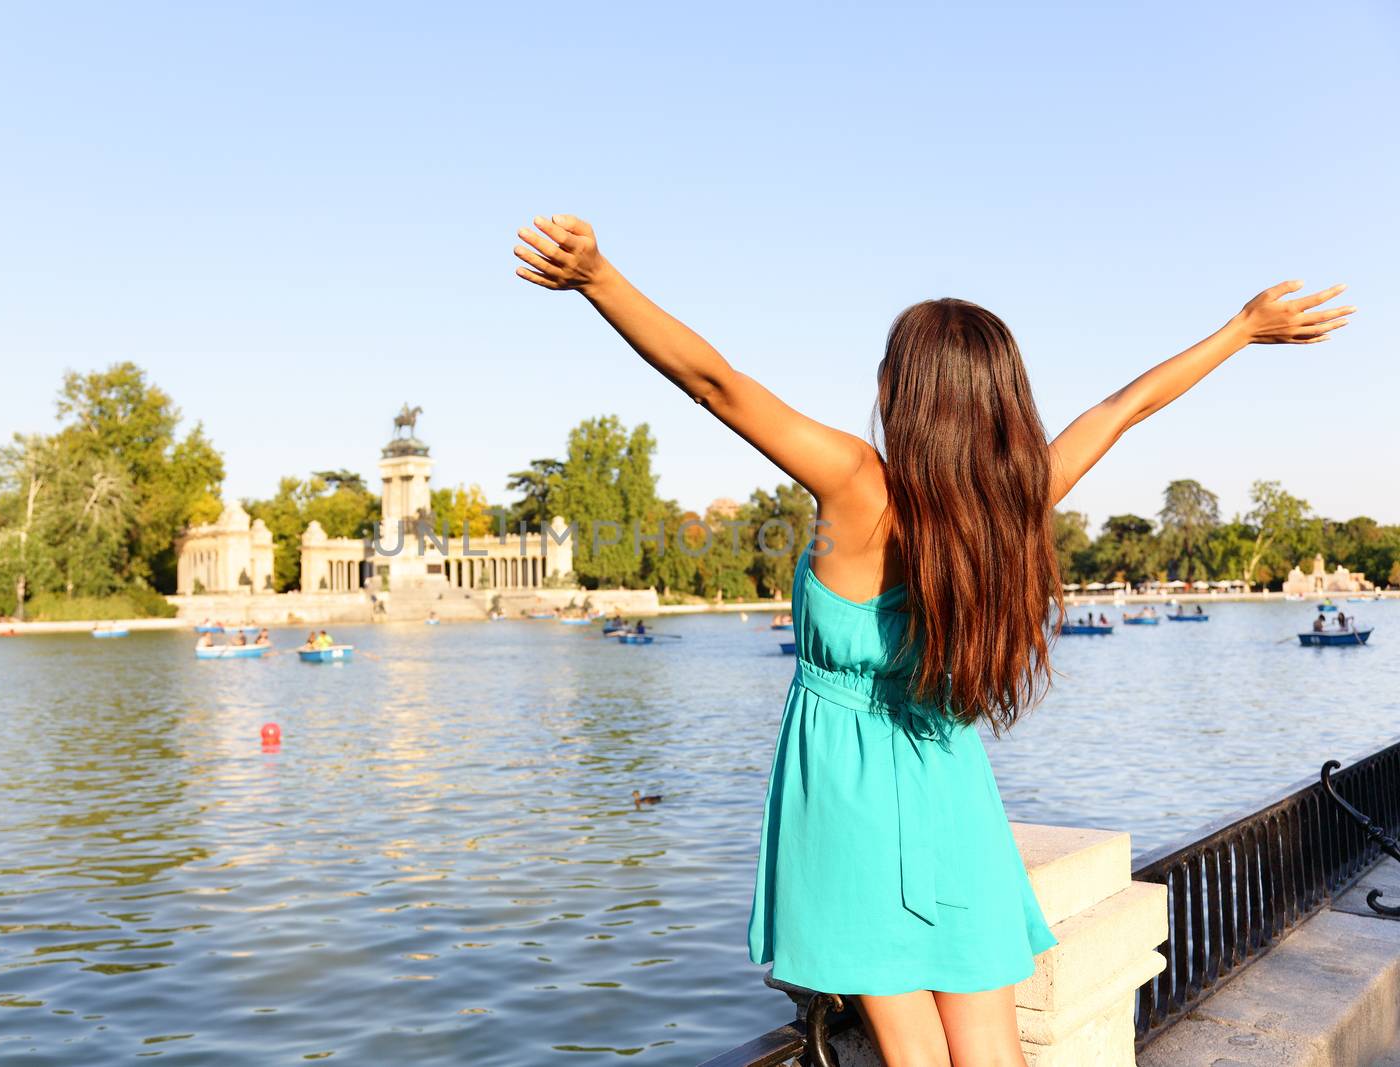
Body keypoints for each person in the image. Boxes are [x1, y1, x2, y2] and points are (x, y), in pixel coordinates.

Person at [513, 211, 1353, 1063]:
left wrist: (598, 279)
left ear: (899, 393)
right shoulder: (1013, 501)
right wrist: (1243, 329)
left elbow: (716, 383)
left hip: (847, 796)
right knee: (990, 1051)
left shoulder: (853, 482)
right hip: (953, 787)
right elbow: (1125, 407)